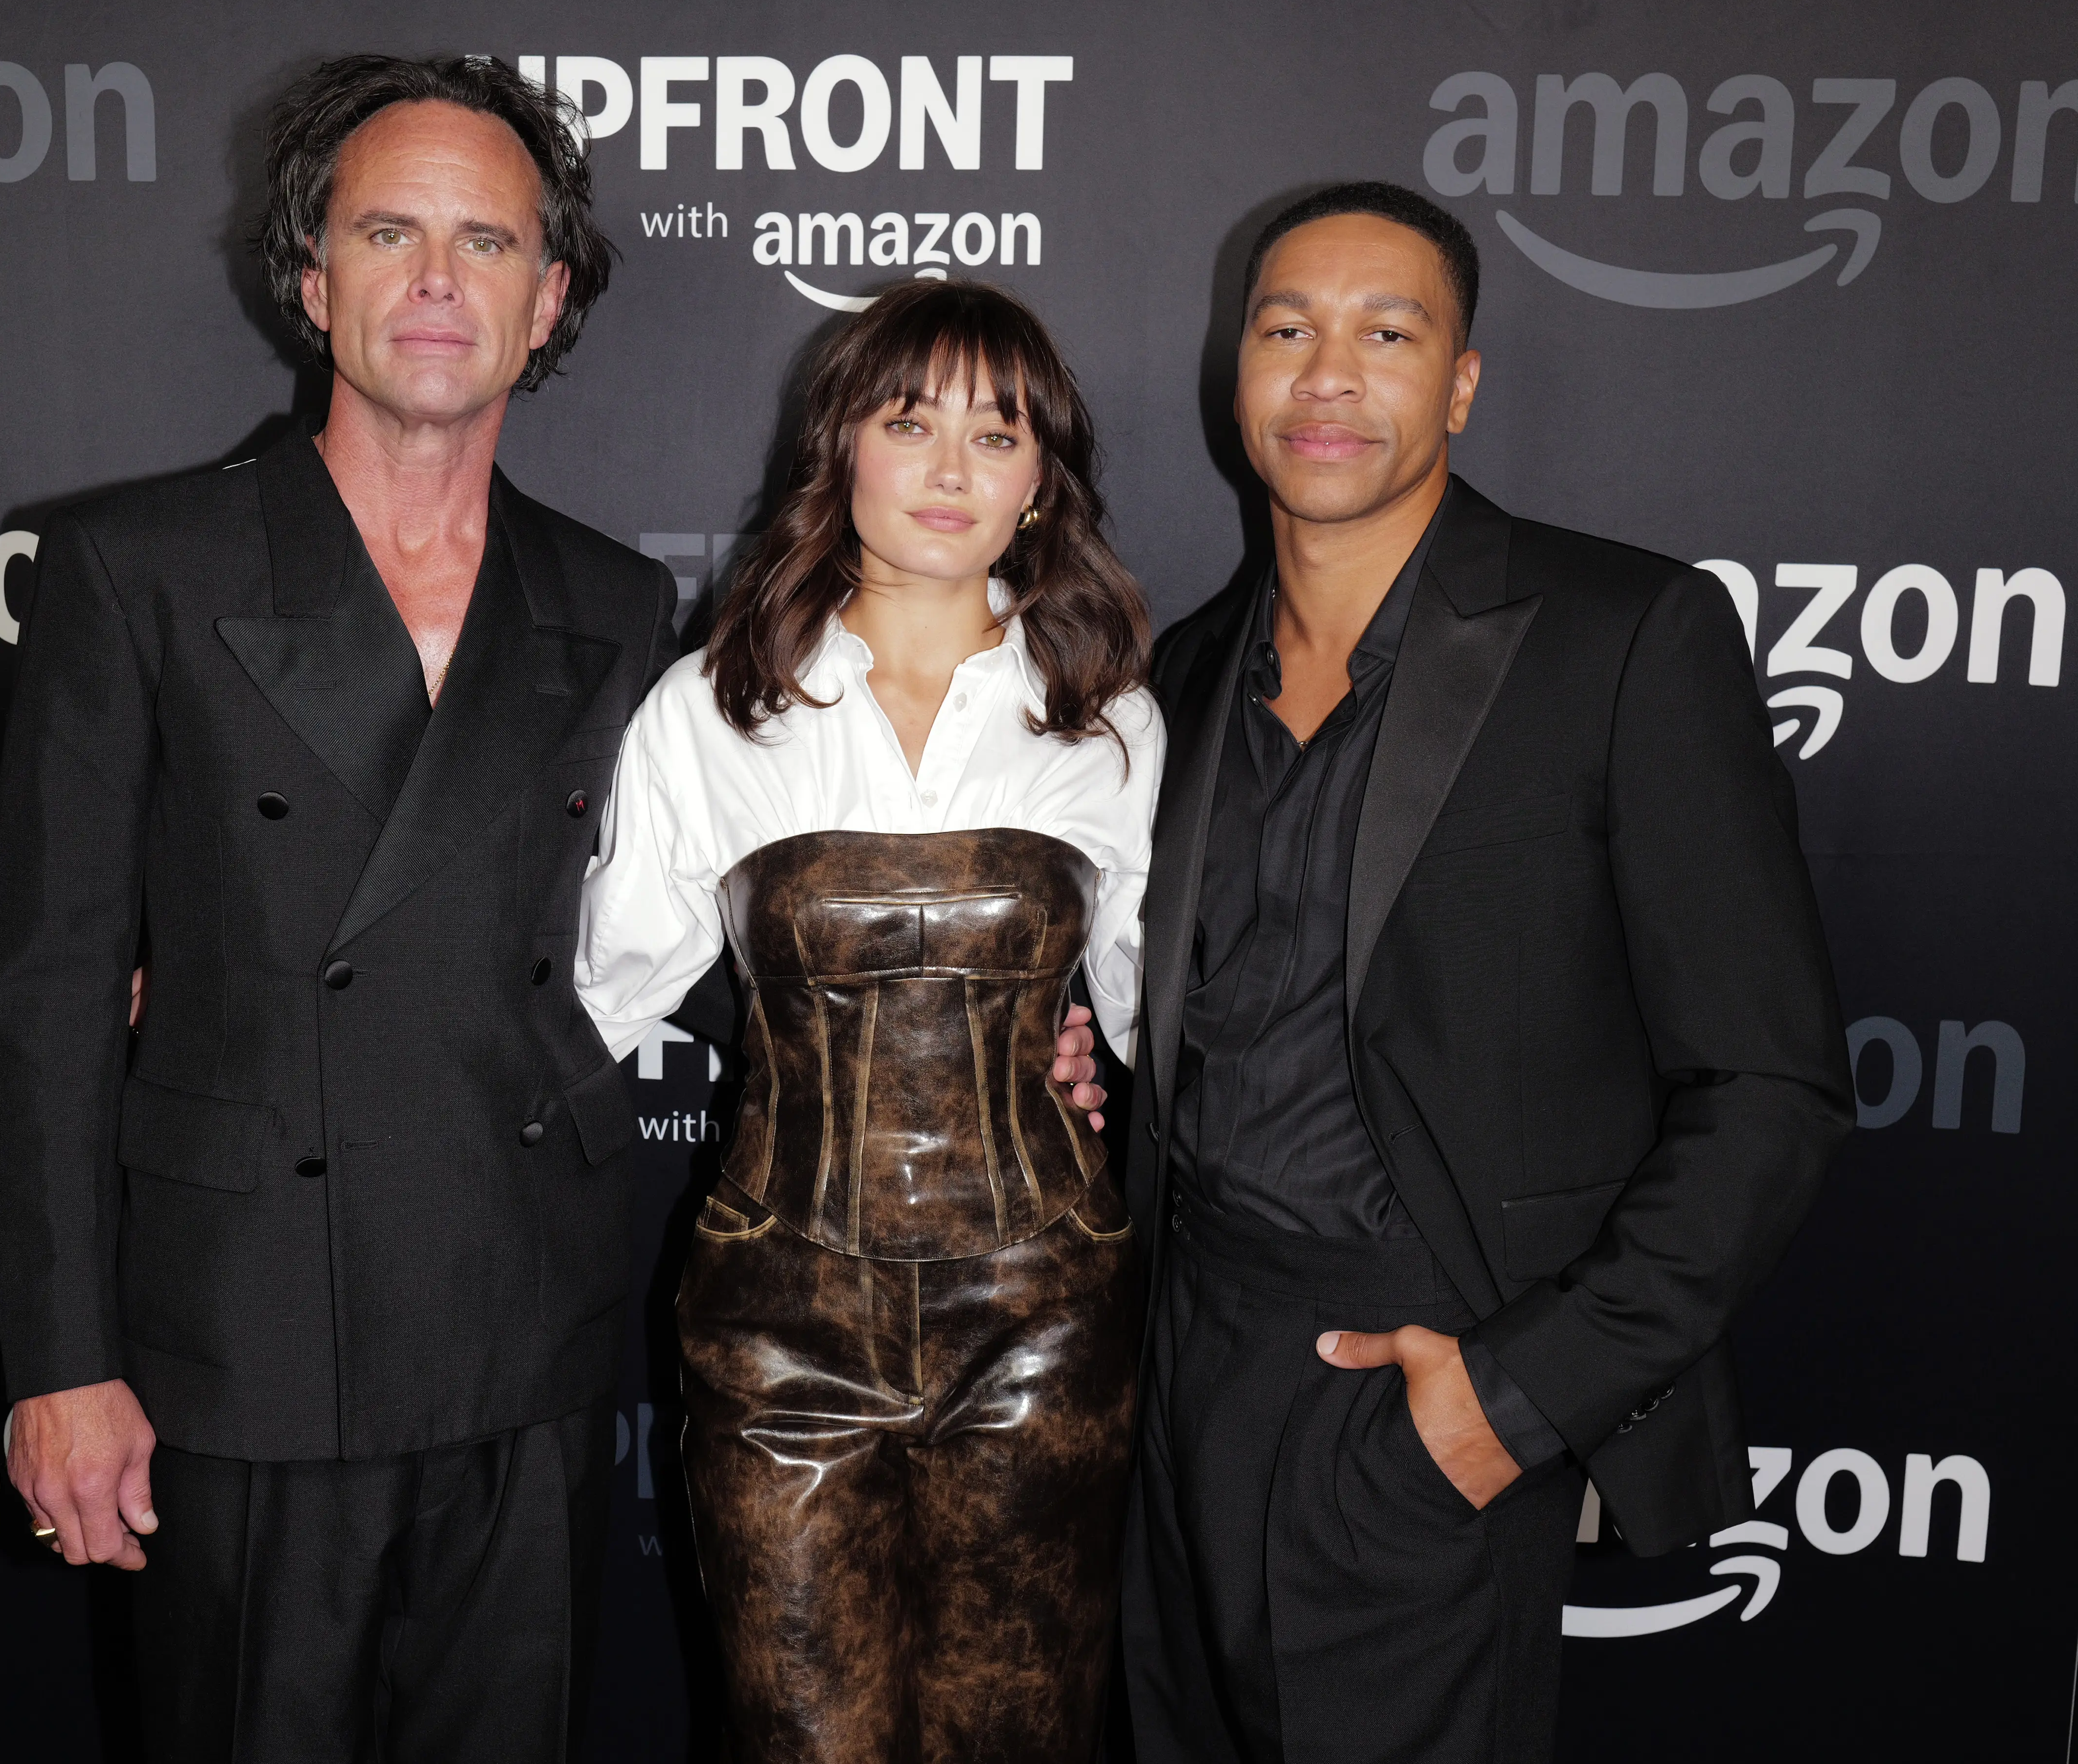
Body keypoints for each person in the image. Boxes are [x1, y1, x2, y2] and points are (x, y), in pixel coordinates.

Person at [0, 54, 680, 1763]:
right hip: (243, 1332)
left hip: (521, 1312)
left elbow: (694, 922)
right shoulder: (141, 569)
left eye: (488, 242)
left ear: (549, 297)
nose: (439, 279)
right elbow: (56, 983)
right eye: (390, 231)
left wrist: (982, 991)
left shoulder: (616, 596)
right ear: (313, 280)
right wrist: (61, 1362)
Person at [1118, 182, 1853, 1764]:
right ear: (1232, 369)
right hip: (1175, 1384)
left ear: (1459, 383)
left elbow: (1772, 1090)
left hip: (1409, 1395)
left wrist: (1506, 1402)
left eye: (1388, 333)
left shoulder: (1621, 633)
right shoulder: (1178, 671)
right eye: (1287, 327)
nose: (1328, 374)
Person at [576, 280, 1162, 1763]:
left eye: (998, 432)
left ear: (1044, 483)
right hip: (780, 1328)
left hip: (1043, 1322)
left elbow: (1172, 1017)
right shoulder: (718, 708)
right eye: (912, 424)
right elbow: (583, 998)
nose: (954, 469)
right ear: (840, 448)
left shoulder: (1108, 715)